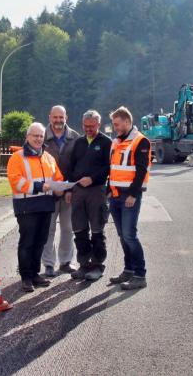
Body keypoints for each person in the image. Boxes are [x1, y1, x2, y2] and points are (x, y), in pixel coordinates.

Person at [7, 122, 65, 292]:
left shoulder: (48, 157)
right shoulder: (17, 157)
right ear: (27, 137)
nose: (39, 139)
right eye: (35, 136)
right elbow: (16, 181)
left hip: (45, 205)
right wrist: (40, 186)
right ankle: (25, 277)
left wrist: (61, 188)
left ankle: (34, 274)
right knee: (27, 242)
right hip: (26, 206)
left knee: (40, 241)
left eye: (41, 136)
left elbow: (58, 177)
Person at [106, 106, 152, 290]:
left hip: (129, 197)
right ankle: (129, 270)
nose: (115, 127)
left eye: (117, 124)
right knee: (122, 236)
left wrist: (133, 194)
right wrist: (108, 189)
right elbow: (113, 168)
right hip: (115, 195)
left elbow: (141, 170)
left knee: (129, 235)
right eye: (114, 124)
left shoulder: (141, 141)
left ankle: (140, 275)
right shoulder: (116, 142)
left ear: (127, 121)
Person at [67, 110, 112, 281]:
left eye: (92, 126)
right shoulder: (78, 142)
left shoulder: (106, 142)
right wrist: (70, 189)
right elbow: (71, 166)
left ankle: (98, 265)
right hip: (78, 191)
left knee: (97, 230)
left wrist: (92, 179)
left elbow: (109, 167)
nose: (88, 129)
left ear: (98, 125)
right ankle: (84, 264)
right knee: (79, 229)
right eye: (85, 126)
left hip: (97, 191)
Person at [41, 105, 80, 277]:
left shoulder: (76, 138)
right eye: (55, 117)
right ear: (49, 117)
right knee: (48, 229)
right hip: (47, 193)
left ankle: (65, 262)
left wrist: (72, 188)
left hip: (69, 193)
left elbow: (79, 165)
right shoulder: (40, 136)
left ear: (66, 117)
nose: (58, 120)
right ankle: (49, 264)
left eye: (61, 117)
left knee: (68, 228)